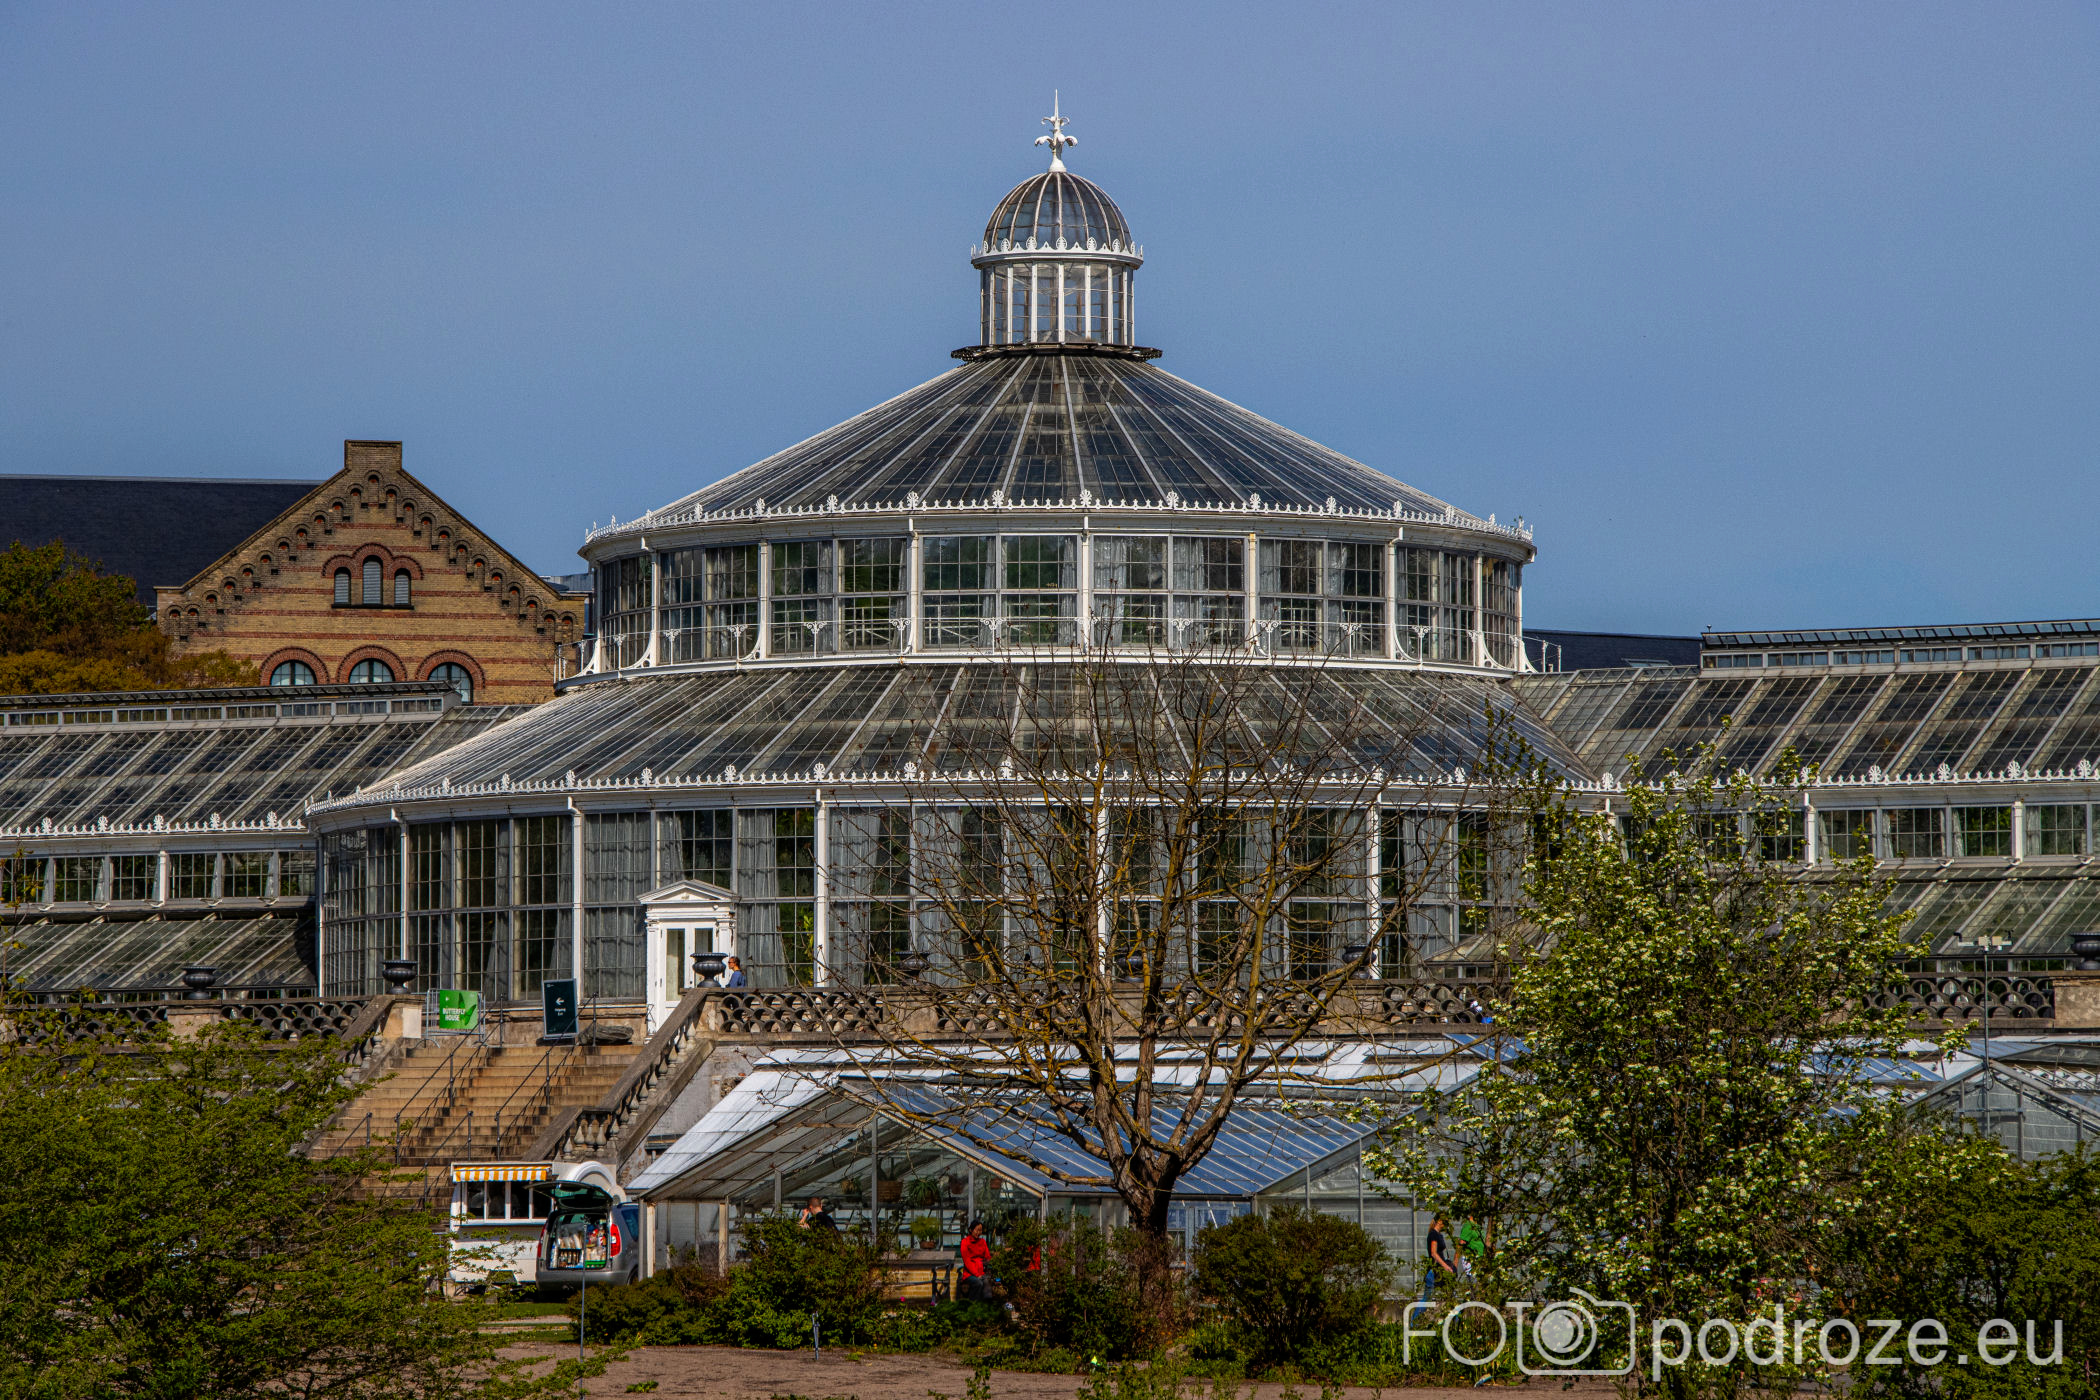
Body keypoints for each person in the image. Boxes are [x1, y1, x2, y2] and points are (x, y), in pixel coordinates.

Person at [1420, 1214, 1454, 1303]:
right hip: (1434, 1270)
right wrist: (1445, 1266)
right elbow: (1433, 1253)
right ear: (1439, 1221)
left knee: (1450, 1295)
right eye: (1445, 1221)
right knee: (1426, 1299)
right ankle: (1416, 1313)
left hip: (1439, 1270)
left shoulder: (1439, 1235)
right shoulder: (1433, 1234)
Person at [957, 1218, 990, 1302]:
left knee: (988, 1283)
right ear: (971, 1230)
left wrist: (987, 1269)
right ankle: (972, 1304)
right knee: (978, 1283)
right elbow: (967, 1261)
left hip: (982, 1272)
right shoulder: (965, 1242)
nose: (979, 1232)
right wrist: (977, 1274)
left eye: (980, 1230)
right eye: (977, 1230)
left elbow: (987, 1258)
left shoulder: (983, 1242)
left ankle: (986, 1306)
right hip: (969, 1274)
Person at [1457, 1215, 1485, 1280]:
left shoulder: (1477, 1226)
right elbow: (1461, 1243)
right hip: (1471, 1259)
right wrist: (1455, 1262)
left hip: (1479, 1259)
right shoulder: (1468, 1226)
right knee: (1473, 1281)